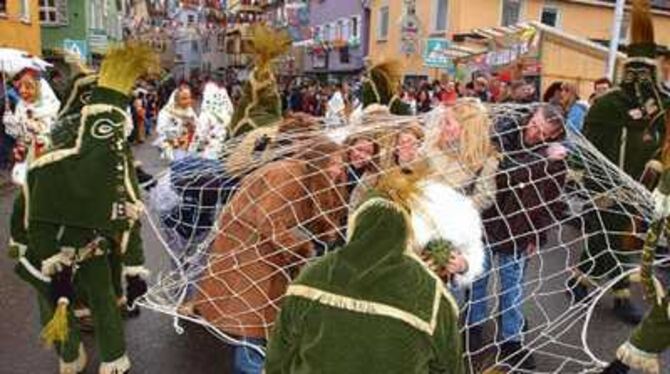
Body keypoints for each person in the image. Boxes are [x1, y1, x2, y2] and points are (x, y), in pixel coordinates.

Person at [12, 43, 156, 374]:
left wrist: (134, 269)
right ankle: (70, 353)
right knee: (52, 300)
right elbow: (30, 214)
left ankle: (112, 356)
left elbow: (128, 214)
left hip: (91, 246)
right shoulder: (49, 166)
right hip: (49, 246)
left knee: (102, 298)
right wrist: (50, 261)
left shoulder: (114, 164)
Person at [264, 170, 466, 374]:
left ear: (357, 224)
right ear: (405, 231)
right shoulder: (429, 292)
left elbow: (279, 357)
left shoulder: (313, 275)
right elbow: (449, 366)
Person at [187, 139, 348, 374]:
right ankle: (250, 367)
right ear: (319, 161)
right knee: (252, 319)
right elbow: (270, 221)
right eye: (334, 164)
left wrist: (321, 232)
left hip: (263, 249)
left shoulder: (305, 174)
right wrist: (303, 249)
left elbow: (299, 213)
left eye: (340, 164)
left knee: (260, 319)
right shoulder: (288, 175)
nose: (338, 169)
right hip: (249, 251)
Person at [573, 0, 668, 325]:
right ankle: (622, 296)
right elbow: (587, 149)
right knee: (616, 238)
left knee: (615, 239)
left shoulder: (663, 107)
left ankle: (579, 279)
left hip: (646, 188)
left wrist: (657, 172)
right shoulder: (608, 105)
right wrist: (592, 185)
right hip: (610, 186)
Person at [468, 104, 568, 371]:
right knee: (478, 279)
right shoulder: (503, 138)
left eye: (543, 131)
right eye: (534, 125)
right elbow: (508, 170)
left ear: (553, 134)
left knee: (511, 290)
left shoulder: (556, 161)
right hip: (488, 225)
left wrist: (539, 234)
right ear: (529, 118)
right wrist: (542, 159)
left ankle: (511, 339)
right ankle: (474, 327)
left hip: (520, 232)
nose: (534, 133)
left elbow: (553, 202)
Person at [3, 68, 61, 185]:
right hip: (25, 160)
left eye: (28, 87)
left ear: (40, 89)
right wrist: (10, 122)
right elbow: (18, 134)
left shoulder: (51, 107)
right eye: (20, 87)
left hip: (46, 163)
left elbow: (53, 132)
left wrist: (37, 127)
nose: (22, 91)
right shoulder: (21, 106)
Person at [154, 83, 199, 161]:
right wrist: (175, 139)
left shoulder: (189, 111)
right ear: (176, 99)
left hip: (190, 146)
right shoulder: (166, 113)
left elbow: (197, 126)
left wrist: (193, 127)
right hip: (174, 148)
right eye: (184, 98)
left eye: (189, 98)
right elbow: (161, 130)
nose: (188, 101)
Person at [193, 81, 234, 159]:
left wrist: (194, 148)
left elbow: (200, 135)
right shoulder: (229, 112)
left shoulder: (206, 114)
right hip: (226, 153)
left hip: (209, 155)